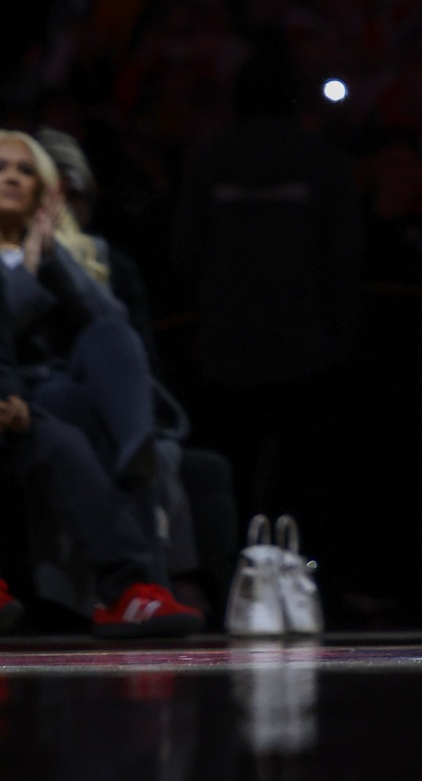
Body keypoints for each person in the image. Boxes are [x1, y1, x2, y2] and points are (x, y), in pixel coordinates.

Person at [170, 40, 362, 596]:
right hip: (309, 348)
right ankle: (304, 579)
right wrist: (341, 338)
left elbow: (184, 250)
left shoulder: (212, 158)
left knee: (231, 466)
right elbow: (343, 255)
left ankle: (232, 576)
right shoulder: (320, 159)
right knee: (303, 471)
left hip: (229, 345)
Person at [0, 132, 201, 637]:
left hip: (67, 389)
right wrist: (25, 262)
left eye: (25, 171)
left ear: (44, 189)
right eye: (1, 167)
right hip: (25, 391)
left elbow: (109, 319)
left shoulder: (65, 251)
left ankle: (137, 448)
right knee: (75, 437)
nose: (11, 177)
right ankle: (133, 588)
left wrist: (50, 252)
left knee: (111, 333)